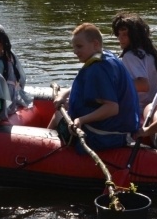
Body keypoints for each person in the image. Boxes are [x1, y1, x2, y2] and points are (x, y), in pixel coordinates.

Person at [50, 23, 140, 151]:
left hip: (104, 136)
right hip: (119, 131)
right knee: (63, 109)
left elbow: (112, 108)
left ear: (95, 44)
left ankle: (41, 147)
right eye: (74, 47)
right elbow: (84, 85)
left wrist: (81, 119)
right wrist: (64, 94)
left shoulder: (98, 69)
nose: (75, 51)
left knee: (58, 114)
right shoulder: (106, 56)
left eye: (79, 46)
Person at [111, 11, 157, 109]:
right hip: (152, 105)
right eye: (118, 34)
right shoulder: (149, 54)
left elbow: (143, 85)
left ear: (135, 35)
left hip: (136, 108)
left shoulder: (130, 56)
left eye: (124, 34)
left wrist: (112, 84)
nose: (120, 38)